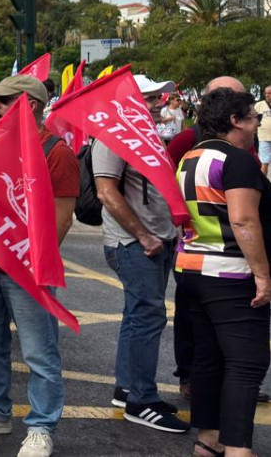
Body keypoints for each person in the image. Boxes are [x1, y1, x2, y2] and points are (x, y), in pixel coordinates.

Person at [0, 75, 77, 457]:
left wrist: (32, 263)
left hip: (27, 271)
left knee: (40, 353)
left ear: (31, 106)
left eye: (4, 101)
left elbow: (62, 218)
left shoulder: (57, 151)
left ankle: (41, 427)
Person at [174, 88, 271, 457]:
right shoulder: (238, 160)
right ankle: (238, 448)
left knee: (209, 357)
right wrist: (262, 275)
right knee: (246, 363)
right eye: (253, 117)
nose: (257, 123)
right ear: (235, 121)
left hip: (192, 269)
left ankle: (209, 439)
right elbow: (244, 220)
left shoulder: (190, 157)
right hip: (231, 273)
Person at [96, 74, 190, 432]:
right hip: (134, 243)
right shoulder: (113, 135)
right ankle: (141, 400)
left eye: (157, 98)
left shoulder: (144, 132)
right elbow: (107, 192)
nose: (157, 103)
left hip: (156, 239)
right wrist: (143, 236)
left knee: (137, 317)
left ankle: (128, 388)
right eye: (148, 98)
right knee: (147, 318)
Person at [254, 85, 271, 175]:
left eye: (269, 93)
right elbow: (252, 117)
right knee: (264, 163)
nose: (267, 95)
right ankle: (263, 184)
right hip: (264, 138)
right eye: (266, 93)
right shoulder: (259, 105)